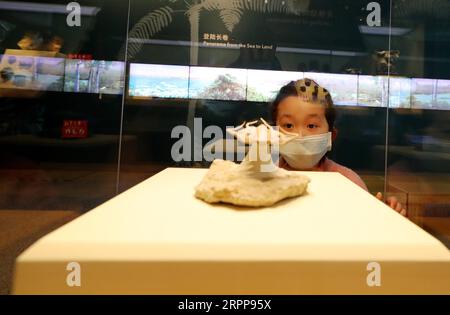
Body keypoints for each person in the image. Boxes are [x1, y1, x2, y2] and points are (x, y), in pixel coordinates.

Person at [273, 78, 407, 217]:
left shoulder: (348, 181)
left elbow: (366, 225)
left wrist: (385, 215)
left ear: (331, 136)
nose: (299, 136)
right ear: (272, 132)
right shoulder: (262, 180)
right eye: (288, 125)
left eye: (311, 125)